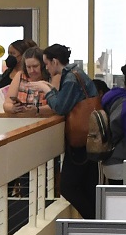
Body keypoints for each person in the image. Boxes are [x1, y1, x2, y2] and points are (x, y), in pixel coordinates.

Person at [42, 43, 101, 218]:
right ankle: (96, 221)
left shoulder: (70, 78)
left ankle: (92, 219)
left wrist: (47, 90)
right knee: (88, 185)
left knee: (68, 186)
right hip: (89, 136)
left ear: (54, 61)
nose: (46, 67)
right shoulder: (77, 74)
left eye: (46, 63)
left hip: (79, 140)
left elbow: (60, 107)